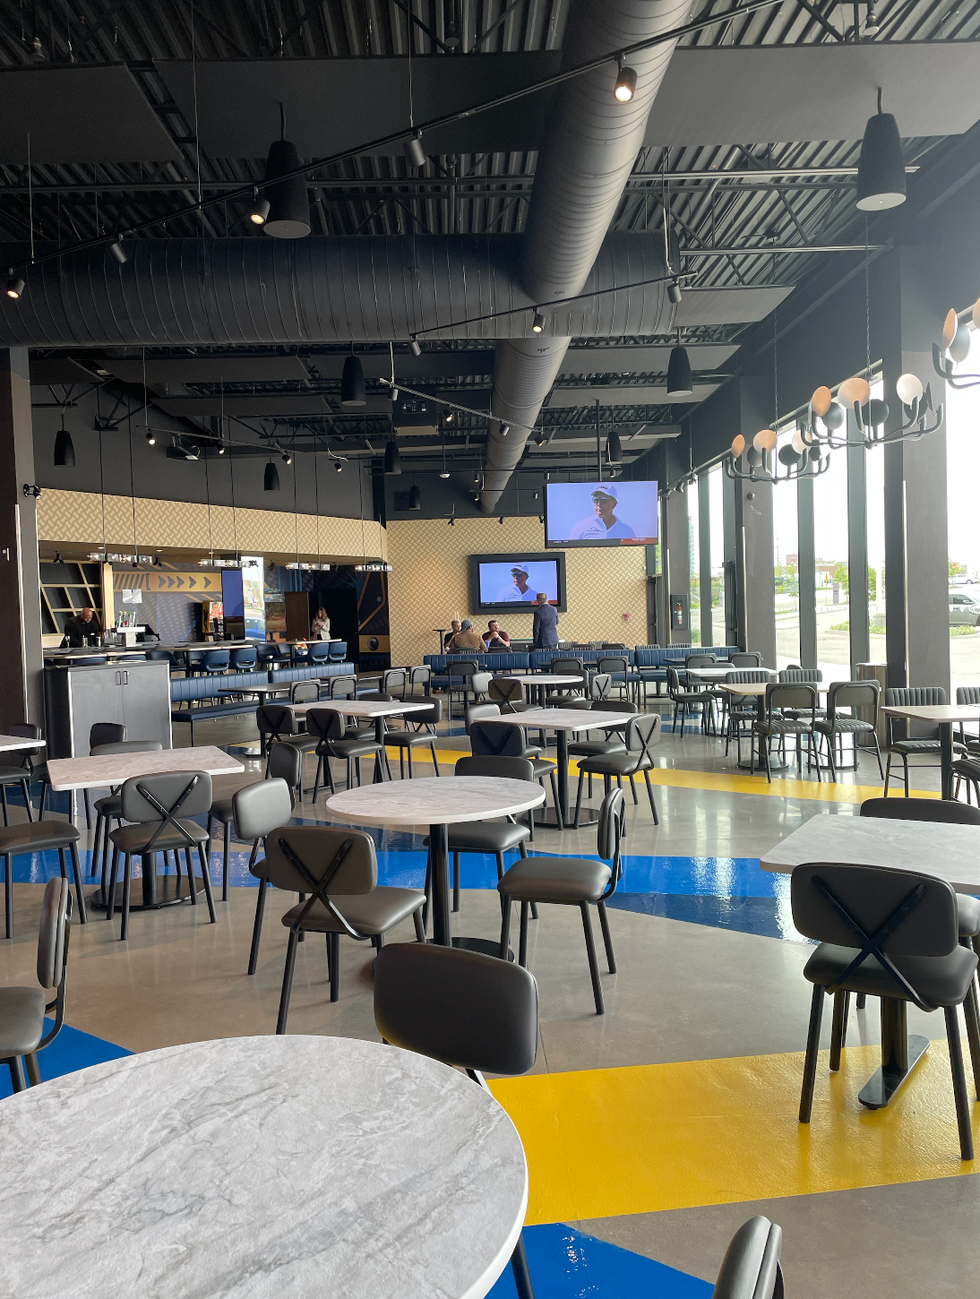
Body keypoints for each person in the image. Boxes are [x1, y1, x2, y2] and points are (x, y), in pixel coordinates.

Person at [568, 487, 636, 541]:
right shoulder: (581, 526)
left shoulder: (627, 531)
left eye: (604, 500)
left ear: (614, 504)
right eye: (596, 500)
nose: (598, 504)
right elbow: (570, 553)